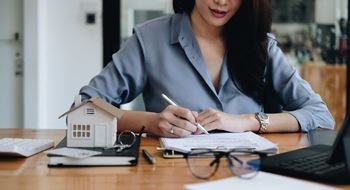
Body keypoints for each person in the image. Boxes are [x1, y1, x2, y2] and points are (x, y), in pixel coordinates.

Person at [77, 0, 334, 137]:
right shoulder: (150, 39)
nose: (221, 1)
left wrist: (246, 122)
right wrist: (152, 122)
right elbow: (85, 108)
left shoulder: (261, 46)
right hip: (172, 177)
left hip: (249, 175)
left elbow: (321, 116)